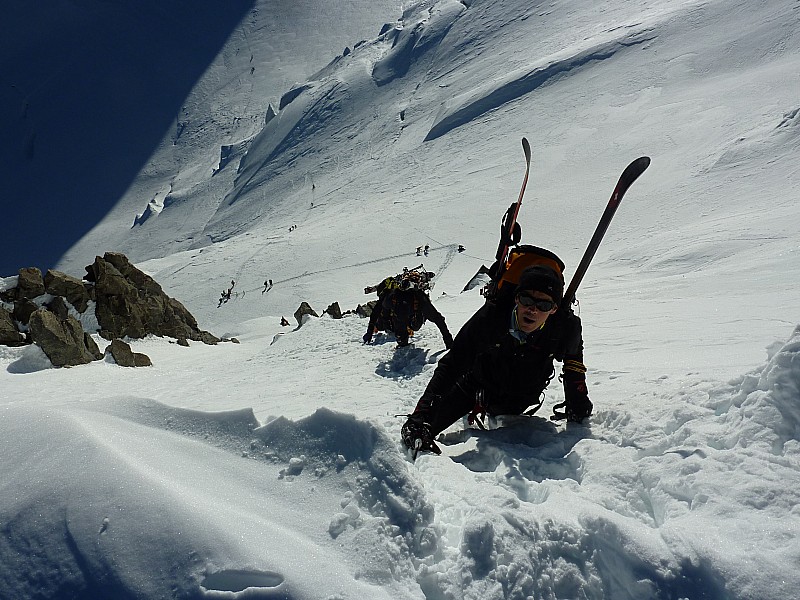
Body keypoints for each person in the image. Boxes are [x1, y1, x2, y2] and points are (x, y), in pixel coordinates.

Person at [401, 263, 592, 456]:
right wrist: (421, 415)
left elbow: (574, 366)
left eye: (543, 304)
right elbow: (452, 364)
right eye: (526, 300)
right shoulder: (491, 318)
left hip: (522, 398)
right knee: (422, 430)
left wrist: (578, 404)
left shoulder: (565, 328)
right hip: (475, 390)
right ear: (516, 298)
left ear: (554, 309)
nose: (532, 310)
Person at [363, 275, 453, 349]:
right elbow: (438, 318)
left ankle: (402, 342)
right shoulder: (418, 297)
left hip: (403, 322)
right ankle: (402, 341)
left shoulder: (394, 295)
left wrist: (370, 330)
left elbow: (377, 311)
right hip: (410, 321)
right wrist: (449, 341)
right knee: (403, 328)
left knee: (401, 336)